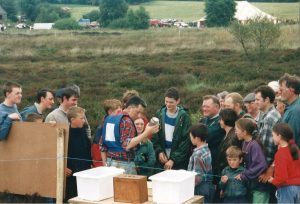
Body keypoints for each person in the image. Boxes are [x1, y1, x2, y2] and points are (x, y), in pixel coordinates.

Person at [101, 96, 159, 174]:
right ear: (129, 108)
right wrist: (147, 132)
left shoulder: (108, 118)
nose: (139, 116)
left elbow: (102, 145)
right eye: (137, 112)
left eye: (141, 113)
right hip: (124, 165)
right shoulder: (127, 120)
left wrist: (105, 164)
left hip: (109, 163)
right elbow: (127, 145)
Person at [152, 87, 192, 171]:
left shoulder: (185, 117)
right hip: (162, 157)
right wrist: (159, 152)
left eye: (171, 102)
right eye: (166, 101)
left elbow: (185, 141)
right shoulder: (159, 114)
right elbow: (155, 136)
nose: (168, 104)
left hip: (178, 161)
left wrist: (173, 159)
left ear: (178, 101)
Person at [235, 118, 269, 203]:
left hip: (260, 188)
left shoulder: (254, 145)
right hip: (252, 186)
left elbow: (261, 165)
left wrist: (244, 175)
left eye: (237, 130)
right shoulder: (244, 143)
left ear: (244, 132)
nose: (235, 132)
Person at [268, 123, 300, 203]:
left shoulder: (280, 154)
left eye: (273, 135)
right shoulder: (295, 149)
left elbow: (282, 178)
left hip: (286, 189)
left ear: (279, 136)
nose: (272, 138)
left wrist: (273, 180)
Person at [65, 106, 92, 200]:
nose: (84, 120)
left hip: (85, 173)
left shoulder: (83, 132)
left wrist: (91, 164)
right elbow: (57, 153)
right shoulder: (65, 134)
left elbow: (88, 150)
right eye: (81, 118)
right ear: (72, 120)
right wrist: (63, 167)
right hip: (70, 175)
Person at [188, 123, 215, 203]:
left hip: (200, 188)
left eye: (191, 137)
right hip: (208, 186)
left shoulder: (198, 154)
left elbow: (198, 176)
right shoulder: (206, 149)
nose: (190, 139)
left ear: (197, 138)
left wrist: (187, 185)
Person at [255, 85, 281, 165]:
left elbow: (267, 148)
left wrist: (265, 168)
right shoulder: (271, 114)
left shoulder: (269, 118)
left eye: (258, 100)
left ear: (266, 100)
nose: (255, 102)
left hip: (266, 166)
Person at [93, 99, 122, 167]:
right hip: (108, 163)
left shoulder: (121, 122)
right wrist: (103, 165)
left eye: (120, 107)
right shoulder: (103, 127)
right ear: (110, 112)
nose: (120, 110)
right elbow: (97, 147)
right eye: (117, 108)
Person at [279, 73, 300, 148]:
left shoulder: (295, 111)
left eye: (281, 89)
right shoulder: (292, 107)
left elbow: (290, 140)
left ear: (291, 90)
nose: (279, 92)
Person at [218, 108, 241, 175]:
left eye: (221, 119)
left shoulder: (233, 137)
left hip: (230, 173)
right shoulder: (228, 134)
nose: (219, 122)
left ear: (226, 119)